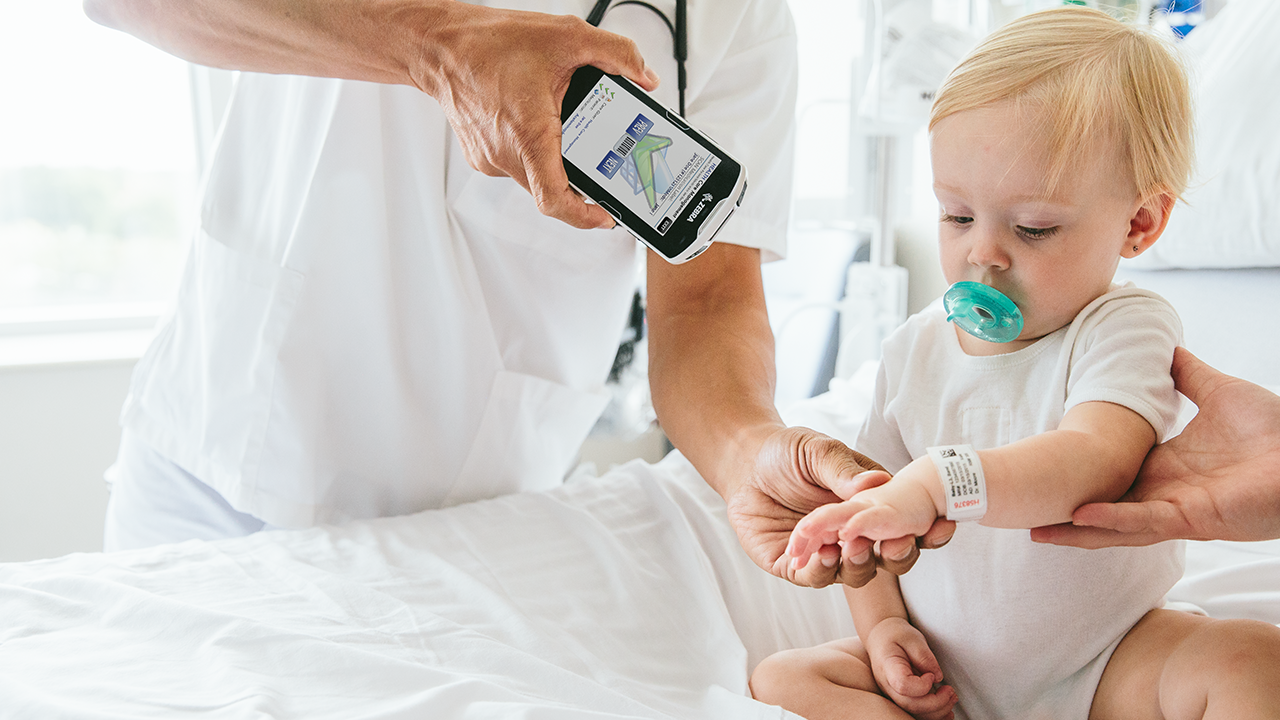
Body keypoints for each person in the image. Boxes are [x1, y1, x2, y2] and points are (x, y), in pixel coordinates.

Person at [81, 0, 905, 588]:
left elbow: (705, 305)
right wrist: (436, 45)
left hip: (450, 520)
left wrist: (745, 453)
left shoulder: (742, 24)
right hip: (207, 455)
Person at [751, 8, 1280, 720]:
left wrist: (943, 482)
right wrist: (882, 629)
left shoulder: (1121, 325)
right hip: (949, 672)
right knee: (784, 678)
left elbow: (1094, 459)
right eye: (957, 216)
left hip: (1104, 663)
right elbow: (868, 512)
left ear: (1138, 224)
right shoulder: (914, 348)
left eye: (1033, 227)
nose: (983, 254)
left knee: (1249, 660)